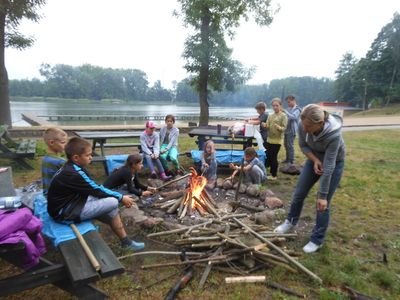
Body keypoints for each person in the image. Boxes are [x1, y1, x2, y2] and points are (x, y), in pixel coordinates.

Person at [47, 137, 145, 251]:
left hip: (70, 203)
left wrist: (118, 197)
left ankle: (126, 241)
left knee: (110, 202)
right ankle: (126, 241)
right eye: (88, 155)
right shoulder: (74, 173)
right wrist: (121, 197)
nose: (91, 157)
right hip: (63, 213)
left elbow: (94, 188)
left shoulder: (72, 167)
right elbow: (97, 190)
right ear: (76, 158)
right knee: (113, 201)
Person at [274, 104, 345, 253]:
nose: (304, 129)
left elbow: (329, 165)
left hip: (334, 163)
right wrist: (315, 160)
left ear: (320, 123)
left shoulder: (334, 135)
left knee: (322, 203)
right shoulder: (302, 123)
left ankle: (317, 239)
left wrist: (323, 195)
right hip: (314, 158)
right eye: (303, 125)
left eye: (308, 127)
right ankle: (291, 221)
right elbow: (303, 145)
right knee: (299, 193)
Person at [261, 98, 288, 180]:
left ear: (280, 106)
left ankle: (274, 175)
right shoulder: (270, 116)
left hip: (277, 140)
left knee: (273, 157)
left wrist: (279, 127)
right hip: (269, 139)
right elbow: (268, 126)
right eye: (273, 106)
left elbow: (284, 128)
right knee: (268, 156)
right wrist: (265, 125)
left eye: (277, 105)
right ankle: (267, 171)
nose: (275, 107)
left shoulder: (283, 116)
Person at [42, 127, 68, 195]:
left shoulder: (45, 158)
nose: (66, 145)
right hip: (57, 197)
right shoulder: (60, 161)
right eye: (63, 143)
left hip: (47, 194)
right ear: (52, 142)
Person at [283, 95, 302, 164]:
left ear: (294, 101)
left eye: (289, 102)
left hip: (292, 130)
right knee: (285, 145)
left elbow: (293, 117)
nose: (288, 104)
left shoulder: (298, 109)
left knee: (290, 145)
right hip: (286, 130)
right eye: (287, 102)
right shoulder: (289, 109)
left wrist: (285, 112)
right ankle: (287, 159)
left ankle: (291, 160)